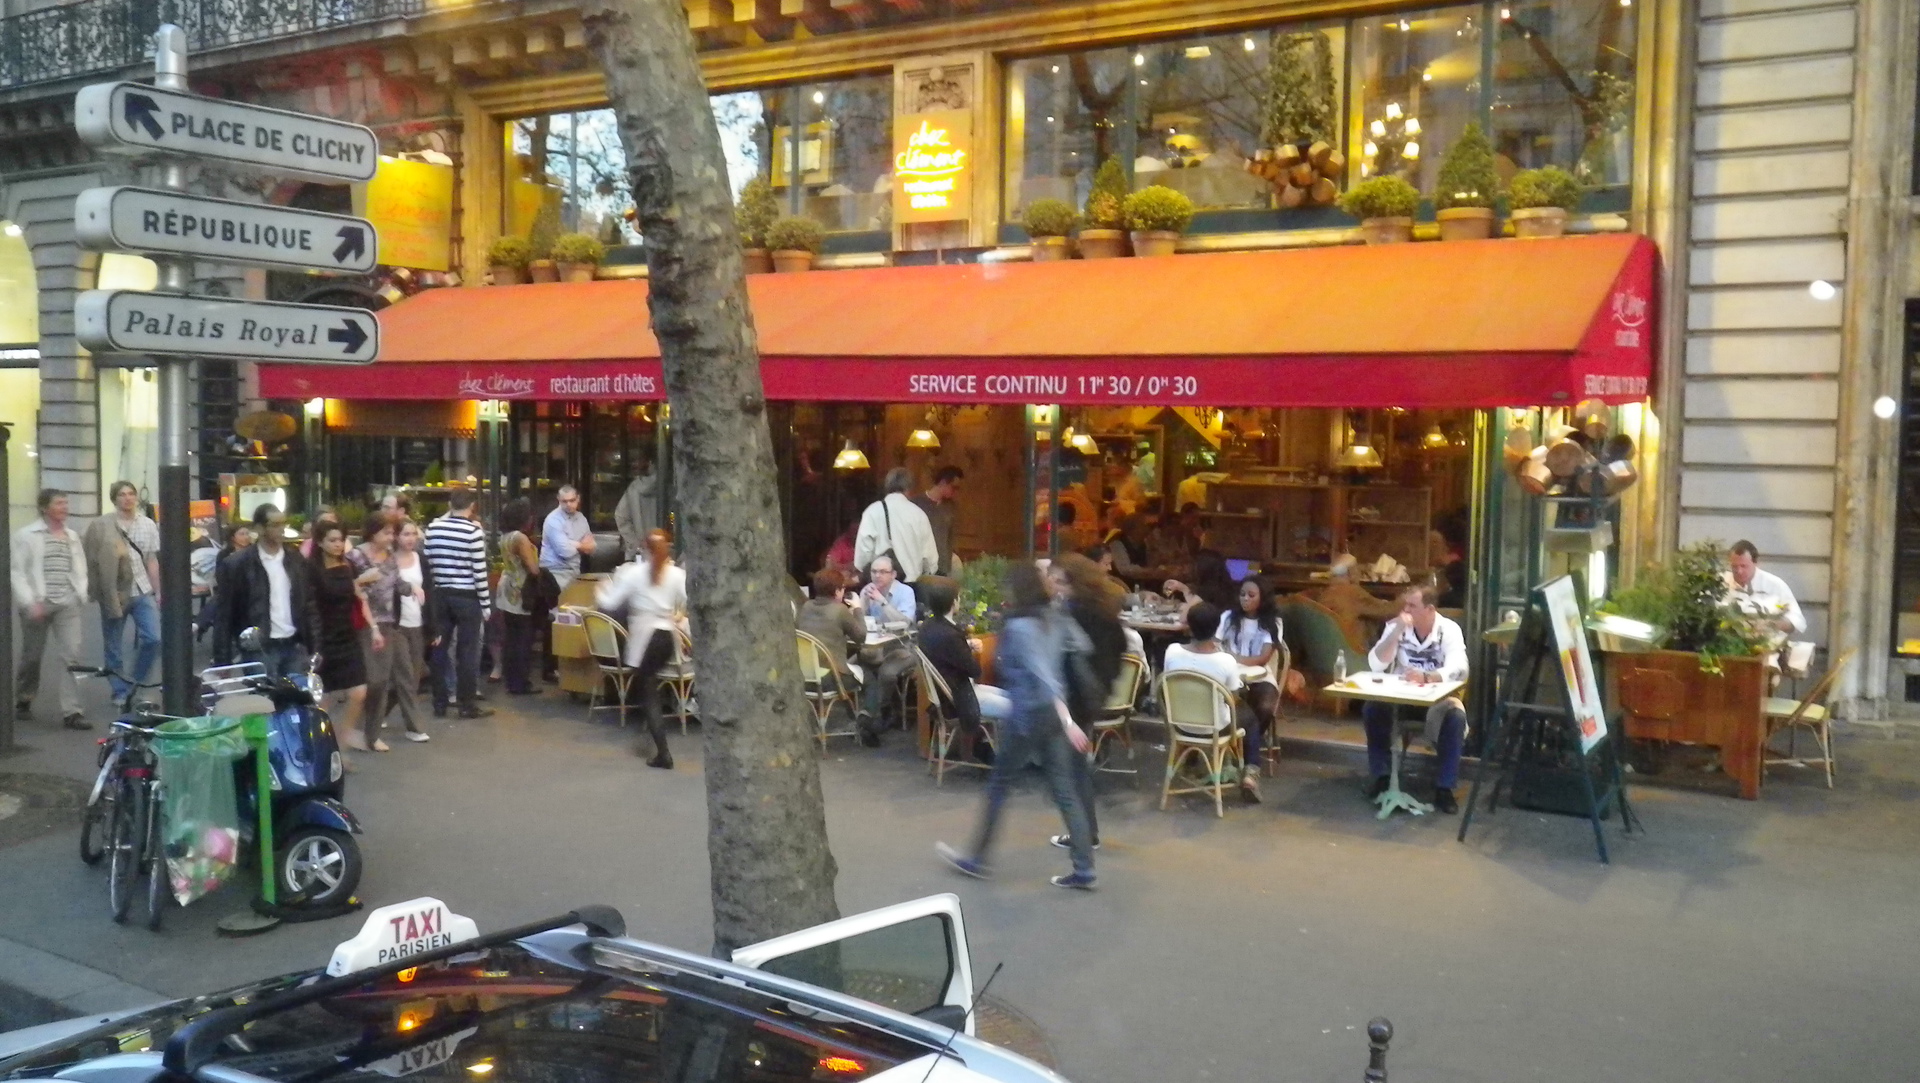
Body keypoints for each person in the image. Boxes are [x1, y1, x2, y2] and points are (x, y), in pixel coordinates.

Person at [936, 562, 1097, 891]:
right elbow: (1082, 646)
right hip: (1051, 716)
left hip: (1026, 716)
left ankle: (977, 858)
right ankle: (1084, 868)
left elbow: (1041, 674)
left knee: (999, 787)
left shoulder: (1020, 626)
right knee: (1065, 790)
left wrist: (1069, 721)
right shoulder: (1054, 616)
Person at [1363, 584, 1470, 814]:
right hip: (1401, 698)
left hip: (1436, 701)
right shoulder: (1396, 627)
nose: (1406, 610)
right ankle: (1382, 777)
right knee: (1373, 708)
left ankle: (1444, 788)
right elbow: (1375, 664)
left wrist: (1429, 676)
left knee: (1455, 717)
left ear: (1429, 609)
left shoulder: (1448, 630)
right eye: (1405, 605)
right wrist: (1395, 633)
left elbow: (1460, 668)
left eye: (1412, 606)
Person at [596, 528, 687, 768]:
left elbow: (610, 603)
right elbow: (689, 600)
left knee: (648, 693)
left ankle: (662, 751)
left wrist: (601, 588)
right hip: (667, 636)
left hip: (646, 638)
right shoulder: (677, 575)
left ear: (645, 549)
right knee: (651, 686)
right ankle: (651, 735)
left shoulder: (635, 574)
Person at [1051, 553, 1122, 847]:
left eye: (1060, 582)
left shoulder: (1072, 614)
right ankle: (1086, 833)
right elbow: (1120, 649)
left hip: (1072, 698)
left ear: (1076, 583)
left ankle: (1084, 837)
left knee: (1070, 769)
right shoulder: (1106, 612)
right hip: (1092, 697)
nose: (1055, 587)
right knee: (1074, 766)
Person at [349, 513, 427, 747]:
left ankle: (381, 733)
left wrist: (412, 588)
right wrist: (362, 581)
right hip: (366, 624)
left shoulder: (390, 557)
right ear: (374, 532)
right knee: (376, 680)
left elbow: (397, 584)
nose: (391, 537)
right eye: (387, 532)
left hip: (390, 623)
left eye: (393, 533)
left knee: (404, 674)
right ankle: (362, 730)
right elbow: (349, 589)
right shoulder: (356, 556)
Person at [14, 488, 90, 729]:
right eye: (59, 503)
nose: (64, 508)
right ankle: (24, 697)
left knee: (72, 655)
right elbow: (17, 572)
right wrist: (29, 602)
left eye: (66, 503)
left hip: (67, 602)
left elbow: (79, 567)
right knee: (32, 656)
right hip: (38, 602)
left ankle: (72, 711)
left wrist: (80, 592)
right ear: (44, 508)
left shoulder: (72, 536)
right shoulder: (26, 535)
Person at [82, 481, 161, 706]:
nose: (127, 498)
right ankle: (119, 690)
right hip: (114, 592)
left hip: (142, 589)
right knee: (113, 644)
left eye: (131, 494)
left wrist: (158, 591)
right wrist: (95, 589)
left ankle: (135, 683)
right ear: (114, 499)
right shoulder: (102, 525)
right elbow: (92, 559)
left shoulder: (147, 524)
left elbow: (151, 559)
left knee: (153, 639)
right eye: (122, 494)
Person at [220, 504, 320, 680]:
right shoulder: (238, 564)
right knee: (265, 696)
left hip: (294, 644)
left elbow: (309, 604)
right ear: (259, 528)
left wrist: (315, 647)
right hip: (259, 648)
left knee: (298, 695)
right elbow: (225, 613)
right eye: (275, 525)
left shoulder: (295, 560)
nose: (281, 529)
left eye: (283, 523)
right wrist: (223, 659)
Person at [424, 490, 494, 720]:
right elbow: (479, 571)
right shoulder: (473, 532)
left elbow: (428, 563)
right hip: (467, 596)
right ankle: (466, 704)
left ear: (449, 504)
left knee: (439, 648)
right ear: (472, 506)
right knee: (468, 652)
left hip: (440, 594)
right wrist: (486, 604)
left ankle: (440, 703)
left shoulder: (433, 528)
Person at [1217, 577, 1283, 803]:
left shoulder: (1273, 622)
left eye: (1251, 595)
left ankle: (1241, 751)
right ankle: (1247, 763)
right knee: (1241, 713)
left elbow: (1263, 658)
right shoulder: (1228, 617)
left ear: (1263, 599)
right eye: (1242, 594)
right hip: (1230, 677)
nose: (1245, 599)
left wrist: (1233, 658)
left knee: (1264, 708)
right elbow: (1215, 643)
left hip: (1260, 677)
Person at [915, 575, 994, 763]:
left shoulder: (927, 628)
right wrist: (967, 648)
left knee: (1009, 698)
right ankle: (991, 751)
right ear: (953, 602)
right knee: (1014, 705)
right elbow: (974, 671)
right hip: (959, 698)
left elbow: (945, 652)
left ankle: (985, 748)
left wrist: (966, 645)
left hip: (945, 695)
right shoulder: (950, 635)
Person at [311, 521, 374, 755]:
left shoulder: (348, 566)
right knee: (323, 700)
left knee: (359, 692)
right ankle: (323, 750)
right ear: (320, 542)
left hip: (348, 636)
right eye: (332, 540)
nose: (338, 544)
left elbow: (358, 595)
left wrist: (373, 626)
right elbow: (309, 606)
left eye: (340, 540)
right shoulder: (312, 570)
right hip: (324, 639)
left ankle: (341, 742)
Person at [856, 554, 920, 742]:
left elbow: (906, 622)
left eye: (883, 572)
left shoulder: (905, 592)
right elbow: (859, 624)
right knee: (853, 666)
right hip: (875, 647)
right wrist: (862, 604)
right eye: (874, 571)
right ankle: (870, 712)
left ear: (893, 574)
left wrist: (882, 602)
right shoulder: (867, 590)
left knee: (887, 673)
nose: (877, 576)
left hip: (903, 648)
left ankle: (876, 715)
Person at [798, 567, 869, 719]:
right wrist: (857, 608)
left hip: (805, 677)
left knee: (850, 664)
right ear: (837, 591)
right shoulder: (839, 610)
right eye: (843, 588)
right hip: (832, 679)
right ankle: (863, 720)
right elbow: (861, 637)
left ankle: (849, 716)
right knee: (869, 672)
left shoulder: (806, 607)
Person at [384, 518, 433, 737]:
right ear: (396, 536)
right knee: (405, 677)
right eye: (405, 534)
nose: (411, 538)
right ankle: (414, 728)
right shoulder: (389, 560)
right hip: (397, 625)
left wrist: (434, 627)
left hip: (417, 623)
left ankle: (378, 712)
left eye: (414, 534)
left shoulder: (421, 559)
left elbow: (430, 592)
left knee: (413, 677)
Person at [854, 467, 938, 583]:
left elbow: (863, 553)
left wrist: (866, 570)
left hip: (879, 583)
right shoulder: (919, 514)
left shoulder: (872, 511)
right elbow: (930, 559)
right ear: (909, 488)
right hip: (911, 583)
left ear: (887, 486)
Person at [495, 499, 542, 696]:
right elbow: (533, 568)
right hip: (520, 589)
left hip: (506, 587)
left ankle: (511, 680)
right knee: (523, 637)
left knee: (511, 637)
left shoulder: (505, 537)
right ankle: (521, 681)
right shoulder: (520, 538)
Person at [1311, 556, 1402, 652]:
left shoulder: (1325, 594)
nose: (1359, 574)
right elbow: (1387, 612)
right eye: (1357, 570)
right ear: (1351, 573)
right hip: (1351, 651)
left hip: (1325, 650)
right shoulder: (1353, 592)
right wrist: (1404, 600)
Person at [1726, 540, 1806, 635]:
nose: (1739, 571)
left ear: (1756, 563)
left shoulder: (1775, 585)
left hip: (1766, 641)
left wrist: (1773, 624)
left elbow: (1797, 620)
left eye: (1744, 566)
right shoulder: (1721, 583)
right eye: (1734, 566)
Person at [541, 484, 598, 588]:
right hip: (554, 572)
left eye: (572, 500)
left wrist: (574, 544)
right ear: (558, 500)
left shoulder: (581, 519)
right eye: (564, 501)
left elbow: (592, 548)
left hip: (574, 571)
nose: (568, 504)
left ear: (578, 499)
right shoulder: (553, 520)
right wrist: (582, 546)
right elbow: (565, 552)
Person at [911, 466, 964, 576]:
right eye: (954, 487)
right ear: (943, 482)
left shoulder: (951, 507)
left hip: (942, 566)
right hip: (920, 565)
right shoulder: (916, 503)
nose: (955, 492)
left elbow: (950, 538)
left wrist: (947, 565)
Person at [1163, 549, 1237, 614]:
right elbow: (1195, 607)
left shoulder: (1207, 590)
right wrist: (1184, 589)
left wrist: (1181, 607)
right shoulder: (1226, 588)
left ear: (1202, 569)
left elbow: (1186, 616)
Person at [613, 458, 659, 560]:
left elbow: (620, 516)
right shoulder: (668, 487)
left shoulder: (633, 488)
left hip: (640, 552)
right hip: (663, 551)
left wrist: (635, 543)